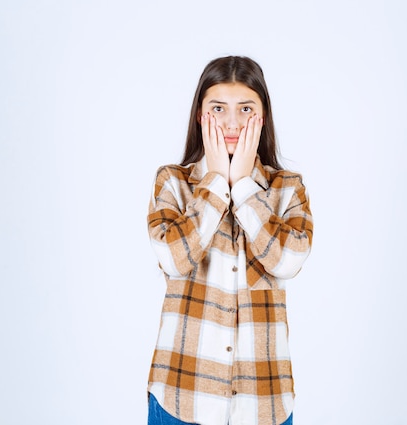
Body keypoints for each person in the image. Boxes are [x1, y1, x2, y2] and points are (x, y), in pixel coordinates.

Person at [146, 56, 313, 425]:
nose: (232, 122)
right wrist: (218, 183)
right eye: (218, 108)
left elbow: (287, 260)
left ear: (263, 117)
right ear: (200, 115)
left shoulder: (288, 189)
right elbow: (174, 259)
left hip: (263, 404)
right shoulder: (173, 183)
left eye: (246, 109)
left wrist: (244, 188)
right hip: (181, 397)